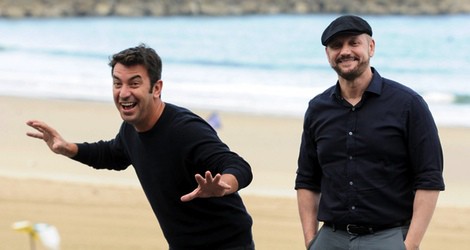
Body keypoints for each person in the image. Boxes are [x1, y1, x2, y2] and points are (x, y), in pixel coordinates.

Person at [26, 44, 255, 250]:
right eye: (117, 83)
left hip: (227, 244)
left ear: (156, 88)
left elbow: (237, 165)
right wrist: (68, 148)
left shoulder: (185, 130)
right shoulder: (130, 130)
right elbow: (111, 154)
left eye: (134, 83)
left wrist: (224, 185)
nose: (124, 93)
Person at [295, 15, 445, 250]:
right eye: (336, 46)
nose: (345, 51)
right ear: (328, 54)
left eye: (353, 43)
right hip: (330, 238)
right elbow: (307, 178)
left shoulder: (408, 104)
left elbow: (429, 177)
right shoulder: (317, 108)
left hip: (389, 236)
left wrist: (411, 245)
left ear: (371, 47)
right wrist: (310, 240)